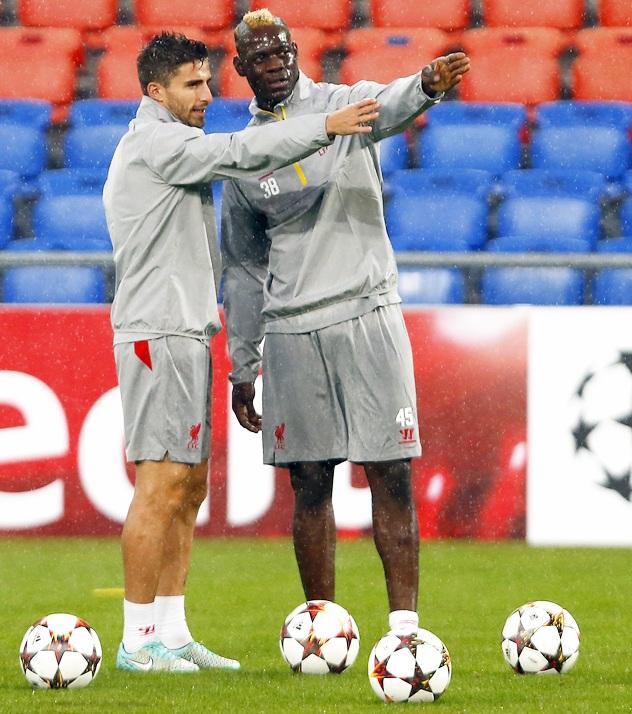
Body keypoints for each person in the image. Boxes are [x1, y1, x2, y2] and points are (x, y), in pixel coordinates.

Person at [103, 31, 381, 673]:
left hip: (185, 329)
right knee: (160, 481)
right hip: (158, 330)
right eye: (192, 85)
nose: (207, 95)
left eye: (207, 82)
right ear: (154, 90)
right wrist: (324, 127)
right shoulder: (158, 142)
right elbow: (244, 150)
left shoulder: (170, 141)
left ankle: (171, 632)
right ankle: (135, 638)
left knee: (189, 483)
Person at [221, 9, 470, 637]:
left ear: (297, 51)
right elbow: (245, 269)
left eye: (282, 49)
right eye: (261, 55)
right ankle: (322, 628)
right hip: (291, 330)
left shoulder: (346, 105)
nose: (275, 61)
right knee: (309, 483)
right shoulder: (244, 155)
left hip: (366, 313)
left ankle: (405, 630)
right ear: (242, 68)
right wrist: (243, 363)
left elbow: (391, 105)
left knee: (390, 471)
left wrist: (428, 85)